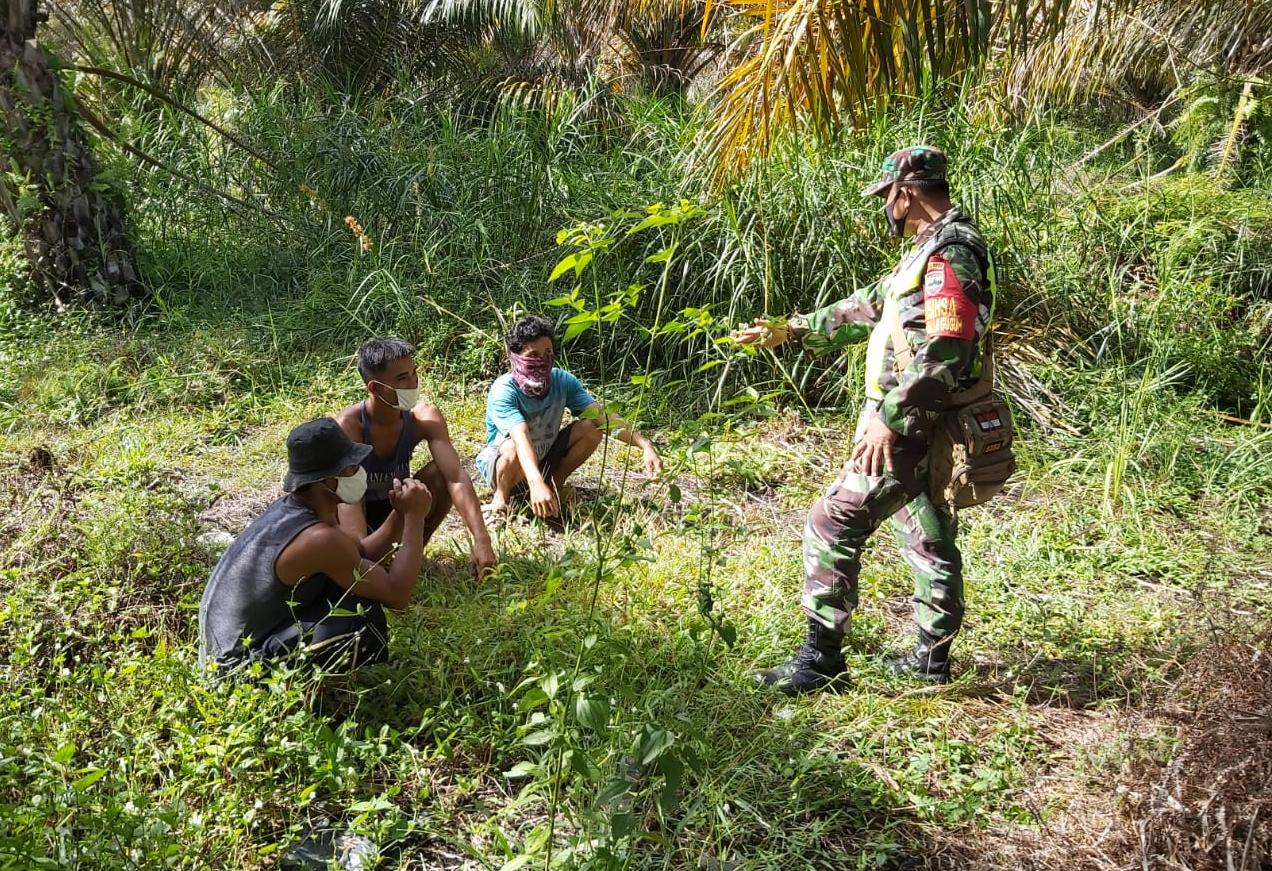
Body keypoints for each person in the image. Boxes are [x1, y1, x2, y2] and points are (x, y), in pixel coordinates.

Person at [733, 145, 996, 691]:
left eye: (887, 198)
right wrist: (794, 328)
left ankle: (822, 662)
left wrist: (891, 417)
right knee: (928, 531)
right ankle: (932, 661)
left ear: (906, 194)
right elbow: (871, 306)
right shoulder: (928, 251)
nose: (886, 209)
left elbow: (948, 347)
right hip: (917, 419)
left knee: (831, 521)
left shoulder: (952, 253)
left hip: (913, 421)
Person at [198, 418, 434, 673]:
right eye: (351, 468)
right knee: (361, 616)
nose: (359, 472)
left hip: (234, 650)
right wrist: (415, 518)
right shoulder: (318, 538)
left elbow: (359, 554)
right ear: (326, 482)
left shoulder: (300, 510)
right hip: (234, 670)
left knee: (345, 590)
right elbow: (397, 594)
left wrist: (399, 514)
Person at [334, 337, 496, 579]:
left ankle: (412, 551)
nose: (413, 383)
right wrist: (361, 553)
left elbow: (456, 477)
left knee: (439, 472)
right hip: (358, 509)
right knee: (362, 559)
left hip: (400, 505)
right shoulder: (349, 427)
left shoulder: (424, 417)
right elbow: (347, 499)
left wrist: (482, 540)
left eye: (414, 373)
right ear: (375, 388)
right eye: (401, 378)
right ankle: (381, 560)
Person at [476, 315, 664, 521]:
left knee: (590, 429)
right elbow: (520, 438)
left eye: (548, 352)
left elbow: (601, 415)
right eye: (534, 354)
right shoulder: (504, 390)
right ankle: (501, 500)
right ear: (515, 356)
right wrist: (535, 481)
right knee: (511, 447)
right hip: (506, 466)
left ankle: (554, 488)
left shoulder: (562, 381)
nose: (542, 360)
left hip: (543, 457)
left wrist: (644, 444)